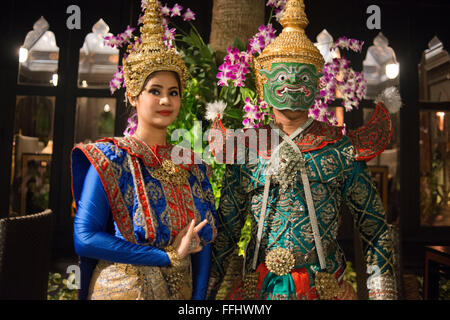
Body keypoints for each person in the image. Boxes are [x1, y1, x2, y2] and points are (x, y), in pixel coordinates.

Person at [207, 0, 397, 300]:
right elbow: (225, 236)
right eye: (282, 77)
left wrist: (380, 296)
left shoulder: (339, 149)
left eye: (304, 77)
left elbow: (375, 231)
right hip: (259, 289)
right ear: (262, 82)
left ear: (318, 84)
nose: (293, 83)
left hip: (325, 288)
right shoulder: (246, 150)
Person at [71, 0, 217, 300]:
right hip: (124, 289)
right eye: (155, 91)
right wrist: (165, 258)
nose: (166, 101)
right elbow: (84, 238)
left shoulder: (192, 164)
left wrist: (199, 302)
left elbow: (204, 243)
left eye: (173, 93)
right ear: (134, 96)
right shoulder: (111, 158)